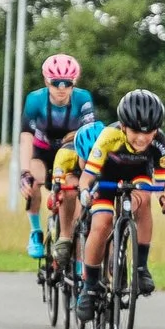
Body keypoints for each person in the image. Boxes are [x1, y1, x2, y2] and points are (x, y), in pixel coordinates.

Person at [73, 88, 165, 320]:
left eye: (149, 132)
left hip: (139, 176)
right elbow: (87, 176)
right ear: (124, 126)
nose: (142, 138)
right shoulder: (109, 136)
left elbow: (163, 181)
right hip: (106, 177)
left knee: (144, 198)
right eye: (136, 131)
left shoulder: (159, 142)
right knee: (102, 222)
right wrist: (85, 191)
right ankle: (90, 286)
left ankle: (140, 267)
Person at [19, 53, 93, 259]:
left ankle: (75, 255)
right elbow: (26, 137)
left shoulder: (83, 98)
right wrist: (24, 171)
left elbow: (88, 137)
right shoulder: (35, 100)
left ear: (74, 83)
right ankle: (35, 231)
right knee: (33, 182)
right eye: (56, 83)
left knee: (74, 191)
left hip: (71, 153)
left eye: (67, 84)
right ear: (46, 81)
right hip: (43, 152)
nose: (61, 88)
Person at [52, 109, 107, 285]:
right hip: (71, 175)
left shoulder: (108, 150)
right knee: (71, 188)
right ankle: (65, 237)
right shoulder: (66, 154)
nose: (90, 165)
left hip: (98, 180)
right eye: (87, 160)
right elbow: (57, 184)